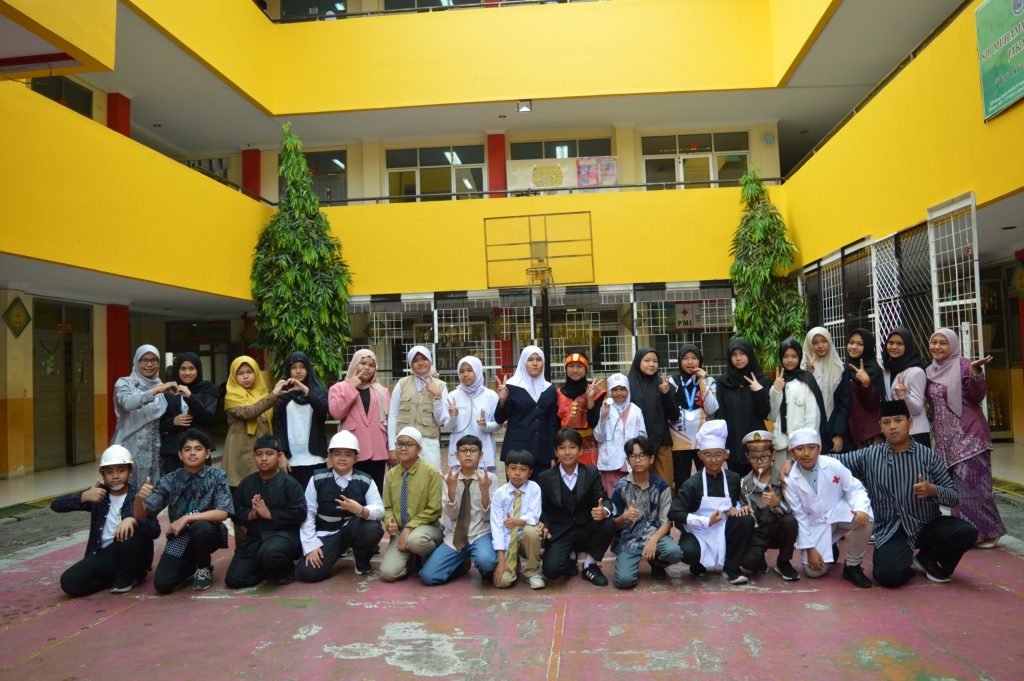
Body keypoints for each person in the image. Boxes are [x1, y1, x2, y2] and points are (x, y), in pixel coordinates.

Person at [834, 400, 979, 586]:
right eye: (886, 422)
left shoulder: (928, 456)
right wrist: (802, 459)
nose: (893, 426)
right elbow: (834, 463)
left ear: (909, 422)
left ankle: (928, 558)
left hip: (926, 525)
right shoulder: (870, 455)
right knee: (887, 576)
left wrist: (932, 490)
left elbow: (953, 497)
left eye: (898, 420)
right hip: (891, 530)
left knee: (967, 532)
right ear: (880, 427)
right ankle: (902, 560)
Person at [925, 328, 1005, 548]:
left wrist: (975, 372)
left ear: (952, 346)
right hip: (946, 442)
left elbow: (977, 395)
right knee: (957, 490)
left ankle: (989, 532)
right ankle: (967, 533)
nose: (937, 347)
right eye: (934, 342)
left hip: (970, 435)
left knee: (974, 488)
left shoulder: (963, 366)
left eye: (943, 343)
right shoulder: (930, 371)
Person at [51, 445, 160, 596]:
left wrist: (134, 520)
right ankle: (115, 578)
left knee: (129, 531)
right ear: (102, 473)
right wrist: (84, 496)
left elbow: (155, 531)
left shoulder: (137, 495)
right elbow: (55, 505)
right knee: (69, 582)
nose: (115, 476)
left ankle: (128, 577)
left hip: (132, 553)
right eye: (109, 472)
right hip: (104, 555)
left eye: (121, 470)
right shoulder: (99, 495)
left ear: (130, 471)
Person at [135, 429, 233, 593]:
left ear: (207, 454)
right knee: (163, 584)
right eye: (187, 449)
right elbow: (140, 515)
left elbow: (223, 512)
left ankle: (203, 566)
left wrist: (187, 518)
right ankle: (194, 562)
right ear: (180, 455)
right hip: (180, 536)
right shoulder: (169, 480)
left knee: (200, 527)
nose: (192, 453)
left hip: (208, 533)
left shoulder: (218, 476)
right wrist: (139, 499)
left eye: (198, 449)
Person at [783, 427, 873, 588]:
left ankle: (852, 565)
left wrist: (861, 509)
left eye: (811, 447)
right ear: (792, 452)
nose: (806, 453)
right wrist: (810, 549)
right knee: (813, 572)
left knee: (866, 520)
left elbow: (855, 488)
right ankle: (830, 546)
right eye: (800, 449)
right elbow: (799, 516)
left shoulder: (833, 465)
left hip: (838, 512)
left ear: (819, 449)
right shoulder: (789, 480)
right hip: (815, 523)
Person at [668, 420, 754, 585]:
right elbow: (674, 513)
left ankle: (731, 568)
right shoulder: (692, 484)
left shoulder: (733, 478)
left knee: (746, 520)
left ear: (725, 455)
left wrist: (737, 508)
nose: (713, 460)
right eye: (708, 455)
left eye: (718, 454)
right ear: (700, 456)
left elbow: (741, 502)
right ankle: (698, 563)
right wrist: (706, 521)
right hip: (699, 532)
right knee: (688, 552)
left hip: (724, 529)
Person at [296, 430, 385, 582]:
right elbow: (308, 513)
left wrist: (360, 510)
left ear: (356, 458)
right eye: (337, 454)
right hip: (326, 534)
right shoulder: (317, 479)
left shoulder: (365, 480)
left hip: (352, 531)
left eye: (348, 454)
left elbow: (379, 510)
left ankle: (361, 559)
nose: (342, 458)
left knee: (372, 528)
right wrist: (310, 546)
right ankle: (335, 551)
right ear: (330, 457)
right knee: (307, 573)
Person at [537, 428, 616, 586]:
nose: (567, 452)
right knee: (552, 571)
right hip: (560, 532)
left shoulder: (591, 472)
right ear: (556, 451)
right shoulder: (544, 477)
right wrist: (544, 524)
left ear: (580, 450)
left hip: (585, 529)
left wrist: (604, 511)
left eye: (572, 447)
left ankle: (589, 565)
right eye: (562, 448)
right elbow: (543, 508)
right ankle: (570, 557)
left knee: (609, 523)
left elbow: (605, 500)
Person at [226, 435, 306, 588]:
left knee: (271, 553)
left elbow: (300, 513)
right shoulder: (247, 483)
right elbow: (235, 510)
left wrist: (270, 514)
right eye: (259, 454)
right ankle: (265, 569)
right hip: (255, 538)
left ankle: (285, 572)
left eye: (269, 454)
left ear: (279, 456)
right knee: (234, 580)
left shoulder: (289, 483)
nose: (263, 458)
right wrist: (249, 515)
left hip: (282, 536)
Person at [420, 435, 499, 585]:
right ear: (456, 455)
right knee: (428, 576)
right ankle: (462, 565)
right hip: (455, 535)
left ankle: (483, 566)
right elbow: (452, 515)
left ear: (481, 455)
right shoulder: (449, 479)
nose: (468, 454)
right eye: (463, 450)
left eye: (473, 450)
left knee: (487, 563)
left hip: (481, 532)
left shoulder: (490, 479)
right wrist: (451, 490)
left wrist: (484, 491)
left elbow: (488, 517)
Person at [610, 436, 683, 588]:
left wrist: (653, 540)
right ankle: (626, 560)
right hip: (629, 540)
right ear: (628, 460)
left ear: (651, 459)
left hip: (655, 536)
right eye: (633, 456)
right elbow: (612, 524)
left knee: (675, 553)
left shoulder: (662, 487)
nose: (637, 460)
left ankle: (656, 563)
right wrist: (623, 517)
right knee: (624, 581)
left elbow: (667, 522)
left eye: (642, 455)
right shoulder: (621, 487)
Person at [379, 427, 443, 582]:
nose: (403, 448)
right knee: (388, 574)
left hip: (426, 529)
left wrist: (409, 527)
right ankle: (412, 559)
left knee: (415, 541)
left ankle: (432, 554)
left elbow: (435, 509)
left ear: (419, 449)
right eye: (400, 444)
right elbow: (387, 507)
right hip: (401, 531)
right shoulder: (391, 475)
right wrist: (390, 521)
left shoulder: (431, 473)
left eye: (408, 444)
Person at [737, 430, 799, 581]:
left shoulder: (784, 478)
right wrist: (743, 510)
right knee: (748, 564)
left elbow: (796, 511)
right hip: (758, 533)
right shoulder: (744, 483)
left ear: (773, 456)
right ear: (747, 457)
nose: (759, 462)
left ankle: (783, 561)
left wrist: (778, 504)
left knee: (790, 521)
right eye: (754, 457)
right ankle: (759, 558)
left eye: (764, 456)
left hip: (778, 530)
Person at [113, 344, 177, 488]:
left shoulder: (162, 386)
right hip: (129, 448)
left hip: (154, 451)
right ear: (136, 361)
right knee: (128, 492)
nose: (149, 364)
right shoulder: (125, 383)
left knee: (151, 493)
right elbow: (128, 403)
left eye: (154, 360)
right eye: (144, 360)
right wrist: (157, 390)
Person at [328, 349, 391, 493]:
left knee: (375, 492)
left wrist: (390, 450)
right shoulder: (338, 388)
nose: (367, 368)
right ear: (354, 364)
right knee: (352, 492)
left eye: (372, 365)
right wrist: (351, 386)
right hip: (351, 451)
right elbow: (336, 413)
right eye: (363, 363)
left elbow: (390, 422)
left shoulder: (382, 391)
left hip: (378, 451)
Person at [494, 346, 559, 474]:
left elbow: (552, 424)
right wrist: (502, 401)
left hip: (543, 453)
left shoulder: (549, 389)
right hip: (517, 453)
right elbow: (499, 419)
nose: (535, 363)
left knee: (543, 486)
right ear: (523, 362)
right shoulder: (511, 387)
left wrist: (553, 455)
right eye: (530, 360)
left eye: (539, 359)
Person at [224, 355, 286, 489]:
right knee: (242, 489)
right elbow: (249, 412)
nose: (246, 376)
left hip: (261, 450)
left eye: (249, 372)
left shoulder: (263, 394)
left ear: (256, 373)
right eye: (240, 373)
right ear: (234, 376)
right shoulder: (232, 396)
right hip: (241, 452)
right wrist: (273, 395)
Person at [714, 338, 771, 477]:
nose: (738, 358)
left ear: (749, 355)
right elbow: (721, 415)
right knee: (736, 481)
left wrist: (758, 391)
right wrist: (723, 444)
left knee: (760, 480)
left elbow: (766, 413)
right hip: (733, 442)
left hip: (757, 441)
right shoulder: (723, 382)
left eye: (742, 353)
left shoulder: (762, 380)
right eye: (734, 354)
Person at [273, 351, 329, 491]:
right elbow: (277, 425)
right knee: (294, 497)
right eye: (294, 367)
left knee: (315, 496)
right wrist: (281, 453)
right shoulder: (283, 393)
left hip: (315, 456)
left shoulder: (318, 390)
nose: (298, 371)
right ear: (288, 370)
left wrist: (306, 390)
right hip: (291, 458)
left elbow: (323, 410)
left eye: (302, 367)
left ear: (308, 369)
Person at [490, 449, 545, 590]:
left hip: (526, 541)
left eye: (523, 469)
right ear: (506, 470)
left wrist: (517, 522)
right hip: (508, 541)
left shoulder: (534, 488)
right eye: (513, 468)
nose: (517, 473)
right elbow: (496, 528)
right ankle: (513, 565)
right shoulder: (499, 494)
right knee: (502, 582)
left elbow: (534, 516)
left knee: (532, 531)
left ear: (530, 472)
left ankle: (532, 573)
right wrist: (501, 561)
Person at [388, 345, 449, 471]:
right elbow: (393, 416)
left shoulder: (440, 386)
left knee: (430, 478)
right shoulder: (402, 384)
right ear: (411, 364)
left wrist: (437, 396)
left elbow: (440, 421)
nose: (420, 363)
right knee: (405, 479)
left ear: (430, 361)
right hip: (404, 444)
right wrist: (392, 448)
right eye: (415, 360)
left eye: (424, 359)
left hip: (429, 444)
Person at [627, 347, 680, 491]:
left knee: (665, 485)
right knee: (639, 485)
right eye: (647, 360)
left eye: (655, 361)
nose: (651, 364)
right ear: (638, 361)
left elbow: (674, 416)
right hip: (636, 444)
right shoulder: (628, 385)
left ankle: (665, 507)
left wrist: (666, 395)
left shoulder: (663, 384)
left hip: (662, 442)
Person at [668, 344, 719, 490]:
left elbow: (711, 408)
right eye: (685, 358)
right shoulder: (672, 381)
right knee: (681, 481)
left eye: (694, 358)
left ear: (700, 360)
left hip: (702, 439)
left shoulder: (709, 381)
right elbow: (669, 410)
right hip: (679, 438)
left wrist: (702, 381)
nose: (690, 362)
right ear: (679, 361)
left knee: (707, 479)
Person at [158, 352, 219, 475]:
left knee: (201, 484)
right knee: (174, 485)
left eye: (191, 368)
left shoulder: (208, 389)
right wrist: (173, 422)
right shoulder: (169, 390)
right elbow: (160, 424)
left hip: (199, 448)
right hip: (173, 450)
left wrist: (190, 396)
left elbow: (208, 419)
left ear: (198, 369)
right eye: (183, 368)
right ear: (177, 370)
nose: (187, 373)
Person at [769, 338, 827, 453]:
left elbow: (813, 416)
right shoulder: (778, 381)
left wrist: (806, 443)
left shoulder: (806, 379)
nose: (790, 360)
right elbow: (772, 415)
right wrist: (776, 391)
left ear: (800, 357)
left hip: (802, 446)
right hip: (781, 445)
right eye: (786, 356)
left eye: (794, 356)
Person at [444, 355, 500, 473]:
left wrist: (486, 426)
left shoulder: (491, 396)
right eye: (461, 371)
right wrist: (453, 417)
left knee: (485, 484)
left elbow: (498, 424)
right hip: (459, 454)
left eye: (469, 370)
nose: (465, 374)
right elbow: (447, 428)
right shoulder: (453, 396)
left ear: (478, 371)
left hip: (484, 453)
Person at [594, 372, 646, 497]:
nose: (619, 393)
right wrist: (603, 417)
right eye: (614, 390)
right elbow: (599, 437)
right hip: (610, 462)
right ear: (609, 391)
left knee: (632, 496)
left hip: (631, 462)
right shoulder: (604, 408)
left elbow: (643, 438)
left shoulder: (636, 410)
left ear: (628, 390)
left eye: (622, 389)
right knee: (612, 497)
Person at [802, 327, 849, 453]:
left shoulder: (841, 369)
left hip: (833, 430)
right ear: (809, 345)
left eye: (824, 341)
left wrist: (839, 434)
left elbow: (844, 404)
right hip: (810, 430)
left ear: (830, 341)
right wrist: (808, 374)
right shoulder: (802, 371)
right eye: (815, 342)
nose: (820, 346)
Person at [882, 328, 931, 447]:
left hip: (914, 433)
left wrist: (904, 396)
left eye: (900, 344)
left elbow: (917, 409)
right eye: (891, 343)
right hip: (895, 432)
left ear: (907, 346)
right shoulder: (886, 370)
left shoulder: (916, 372)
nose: (894, 347)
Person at [556, 352, 606, 466]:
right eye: (571, 366)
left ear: (586, 369)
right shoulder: (558, 393)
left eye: (579, 366)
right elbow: (555, 424)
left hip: (588, 446)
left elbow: (594, 423)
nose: (575, 370)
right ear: (566, 369)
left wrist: (590, 399)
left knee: (588, 475)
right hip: (564, 446)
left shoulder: (596, 392)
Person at [842, 328, 885, 449]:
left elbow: (874, 404)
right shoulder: (845, 367)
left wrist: (866, 384)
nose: (854, 347)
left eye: (860, 344)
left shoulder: (874, 370)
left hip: (869, 434)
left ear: (868, 347)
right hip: (849, 432)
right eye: (851, 342)